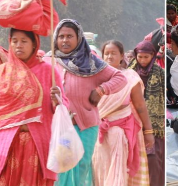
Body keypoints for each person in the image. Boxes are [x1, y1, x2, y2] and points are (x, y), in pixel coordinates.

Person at [49, 19, 128, 186]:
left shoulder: (91, 62)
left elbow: (120, 78)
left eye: (70, 36)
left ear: (78, 38)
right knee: (60, 167)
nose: (65, 40)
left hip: (85, 125)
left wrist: (101, 90)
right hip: (59, 125)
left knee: (81, 166)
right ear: (55, 38)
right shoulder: (49, 61)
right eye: (61, 36)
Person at [0, 27, 66, 186]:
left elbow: (63, 106)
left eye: (24, 41)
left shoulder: (49, 71)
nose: (18, 45)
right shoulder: (2, 72)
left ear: (34, 44)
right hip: (7, 145)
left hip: (37, 145)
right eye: (14, 41)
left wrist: (58, 101)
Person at [92, 40, 153, 186]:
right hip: (97, 133)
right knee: (99, 170)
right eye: (106, 53)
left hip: (120, 132)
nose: (109, 57)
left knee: (118, 172)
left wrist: (148, 130)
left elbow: (140, 106)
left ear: (121, 56)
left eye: (113, 53)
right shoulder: (95, 77)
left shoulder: (130, 77)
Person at [128, 39, 165, 186]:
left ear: (153, 56)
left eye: (146, 57)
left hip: (153, 121)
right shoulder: (129, 72)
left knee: (154, 159)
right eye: (140, 56)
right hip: (131, 117)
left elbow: (162, 95)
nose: (142, 60)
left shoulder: (159, 72)